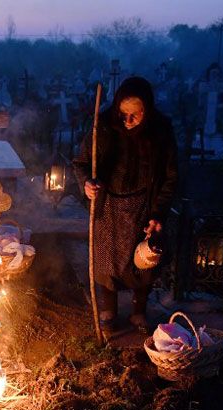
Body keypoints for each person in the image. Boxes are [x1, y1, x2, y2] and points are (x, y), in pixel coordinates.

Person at [74, 77, 178, 342]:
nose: (128, 121)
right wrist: (87, 184)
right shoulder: (104, 127)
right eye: (124, 114)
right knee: (107, 260)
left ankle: (138, 312)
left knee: (143, 260)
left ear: (148, 111)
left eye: (135, 115)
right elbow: (81, 163)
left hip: (143, 205)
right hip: (108, 205)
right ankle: (109, 312)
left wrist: (158, 213)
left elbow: (170, 176)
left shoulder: (161, 132)